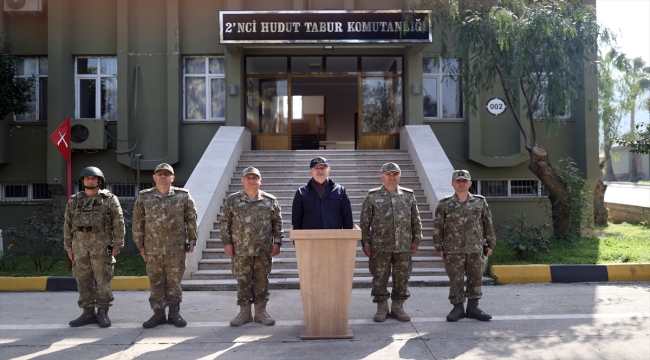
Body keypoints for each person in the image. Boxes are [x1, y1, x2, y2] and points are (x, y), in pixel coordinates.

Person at [133, 163, 198, 328]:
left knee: (174, 281)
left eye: (166, 174)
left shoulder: (183, 196)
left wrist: (192, 239)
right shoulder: (144, 197)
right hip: (152, 248)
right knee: (156, 281)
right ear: (154, 177)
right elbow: (138, 223)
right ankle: (159, 314)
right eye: (160, 174)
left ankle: (174, 313)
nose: (163, 176)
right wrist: (140, 245)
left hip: (175, 248)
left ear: (172, 178)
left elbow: (191, 219)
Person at [221, 166, 283, 326]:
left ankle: (261, 312)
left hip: (263, 250)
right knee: (243, 281)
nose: (252, 180)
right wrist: (227, 243)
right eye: (248, 178)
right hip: (240, 250)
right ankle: (244, 313)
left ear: (260, 181)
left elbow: (277, 223)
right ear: (242, 181)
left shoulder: (270, 200)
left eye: (255, 178)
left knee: (262, 281)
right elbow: (225, 223)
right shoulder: (232, 200)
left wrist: (277, 243)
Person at [360, 162, 422, 322]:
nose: (392, 177)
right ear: (382, 176)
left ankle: (397, 307)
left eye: (395, 174)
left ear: (399, 176)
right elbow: (365, 222)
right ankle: (382, 307)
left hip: (403, 245)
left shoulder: (408, 195)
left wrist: (416, 239)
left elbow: (415, 219)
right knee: (379, 277)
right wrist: (365, 243)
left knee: (402, 276)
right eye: (388, 174)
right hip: (380, 245)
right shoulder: (372, 195)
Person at [64, 166, 125, 328]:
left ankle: (103, 312)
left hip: (102, 248)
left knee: (102, 281)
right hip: (80, 249)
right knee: (83, 281)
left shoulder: (109, 200)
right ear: (82, 181)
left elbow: (118, 224)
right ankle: (87, 312)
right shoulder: (74, 201)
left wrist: (118, 245)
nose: (90, 181)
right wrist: (68, 248)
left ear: (99, 181)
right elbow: (67, 225)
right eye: (87, 178)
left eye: (93, 178)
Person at [433, 169, 496, 322]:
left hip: (475, 248)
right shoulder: (444, 203)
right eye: (458, 181)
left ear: (470, 183)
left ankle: (473, 307)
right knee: (456, 279)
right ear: (453, 184)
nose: (461, 184)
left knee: (476, 278)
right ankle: (458, 308)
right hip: (453, 249)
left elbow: (487, 223)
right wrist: (439, 247)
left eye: (464, 181)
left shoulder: (480, 201)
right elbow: (438, 227)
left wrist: (490, 243)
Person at [291, 156, 353, 230]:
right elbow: (296, 220)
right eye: (316, 168)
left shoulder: (340, 190)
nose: (320, 171)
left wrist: (348, 239)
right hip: (309, 238)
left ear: (329, 170)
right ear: (311, 171)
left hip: (335, 237)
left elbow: (347, 217)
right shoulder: (301, 192)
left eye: (323, 168)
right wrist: (297, 240)